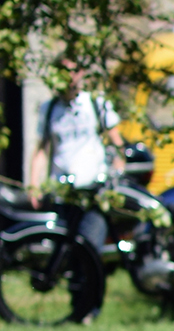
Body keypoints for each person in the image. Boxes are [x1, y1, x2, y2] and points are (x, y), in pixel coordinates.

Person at [27, 63, 126, 252]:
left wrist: (118, 171)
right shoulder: (49, 108)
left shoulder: (95, 103)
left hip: (94, 190)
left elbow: (116, 140)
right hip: (63, 191)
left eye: (74, 71)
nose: (70, 76)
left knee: (89, 250)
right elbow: (41, 149)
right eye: (65, 71)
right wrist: (34, 185)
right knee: (63, 250)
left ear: (81, 73)